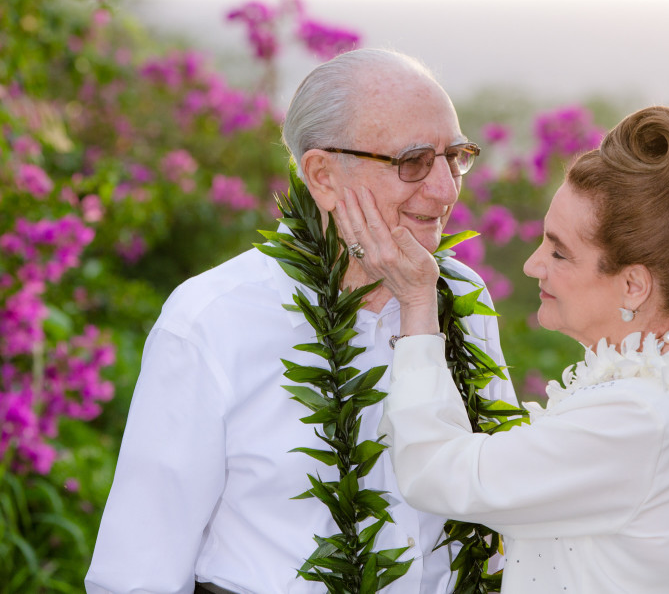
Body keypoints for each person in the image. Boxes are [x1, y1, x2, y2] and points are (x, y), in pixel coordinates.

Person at [84, 49, 517, 594]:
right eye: (412, 162)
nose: (446, 190)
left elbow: (496, 491)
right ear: (322, 175)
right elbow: (137, 570)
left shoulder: (458, 293)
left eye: (455, 156)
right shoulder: (213, 320)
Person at [335, 105, 669, 593]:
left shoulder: (639, 418)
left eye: (559, 252)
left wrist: (417, 303)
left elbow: (439, 474)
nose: (533, 265)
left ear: (633, 286)